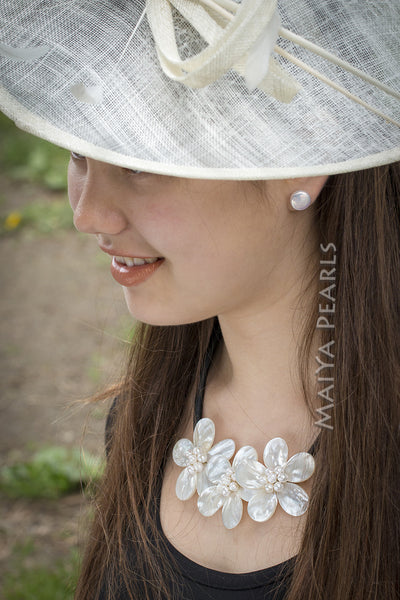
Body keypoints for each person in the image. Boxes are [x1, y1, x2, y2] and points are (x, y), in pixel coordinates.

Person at [0, 1, 399, 599]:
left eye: (140, 163)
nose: (86, 214)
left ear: (302, 160)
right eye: (80, 152)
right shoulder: (144, 421)